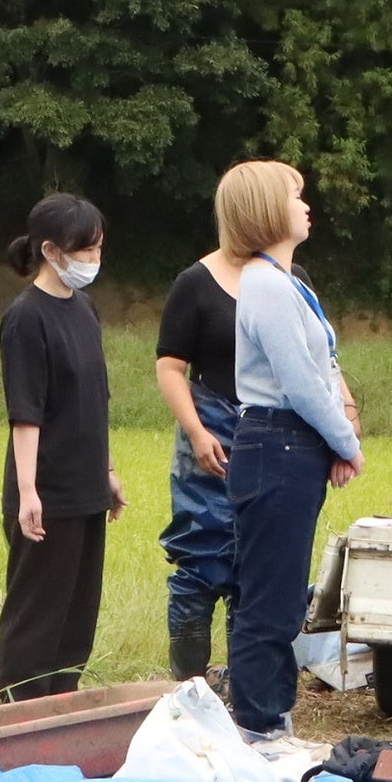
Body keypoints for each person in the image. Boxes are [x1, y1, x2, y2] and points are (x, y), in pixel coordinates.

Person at [222, 160, 361, 739]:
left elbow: (319, 373)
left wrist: (329, 438)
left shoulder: (287, 281)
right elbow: (300, 381)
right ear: (265, 210)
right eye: (295, 195)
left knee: (280, 596)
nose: (307, 206)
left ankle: (269, 718)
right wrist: (346, 440)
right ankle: (259, 726)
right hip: (275, 443)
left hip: (291, 444)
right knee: (270, 599)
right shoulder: (265, 284)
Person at [0, 193, 123, 699]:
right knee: (37, 617)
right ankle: (18, 721)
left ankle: (61, 713)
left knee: (76, 615)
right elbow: (26, 411)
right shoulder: (26, 317)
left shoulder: (85, 308)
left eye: (97, 249)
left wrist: (107, 470)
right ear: (50, 251)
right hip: (47, 490)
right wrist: (29, 491)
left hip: (86, 485)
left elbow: (94, 399)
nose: (93, 261)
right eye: (84, 251)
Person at [152, 228, 252, 684]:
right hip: (211, 425)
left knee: (255, 570)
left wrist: (345, 410)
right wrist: (196, 431)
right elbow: (170, 366)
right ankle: (189, 688)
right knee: (202, 562)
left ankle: (245, 690)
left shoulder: (294, 277)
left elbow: (321, 357)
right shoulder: (194, 283)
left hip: (272, 434)